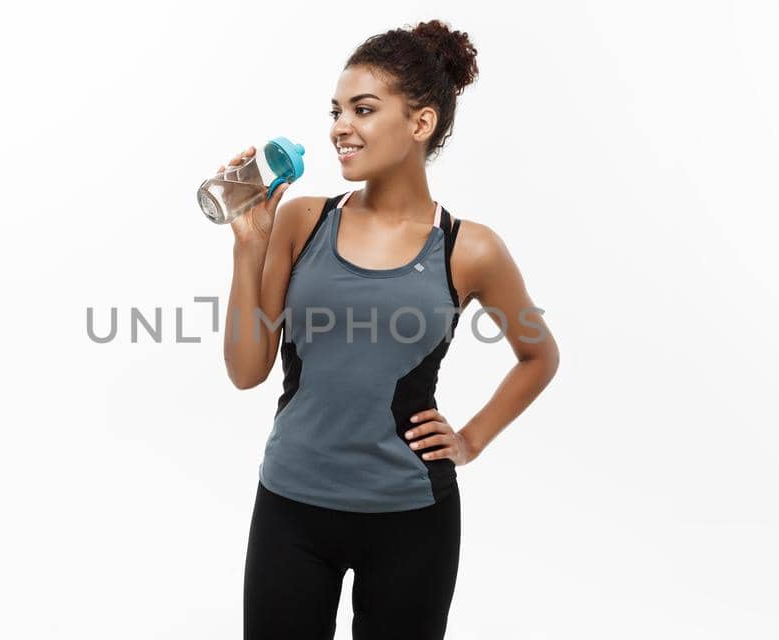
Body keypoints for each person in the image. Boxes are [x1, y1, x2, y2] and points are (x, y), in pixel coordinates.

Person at [218, 19, 561, 640]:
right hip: (291, 508)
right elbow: (247, 371)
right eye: (336, 110)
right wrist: (249, 245)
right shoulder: (301, 220)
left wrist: (470, 440)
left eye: (363, 109)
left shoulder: (469, 249)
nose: (339, 127)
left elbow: (538, 356)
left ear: (420, 123)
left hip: (412, 518)